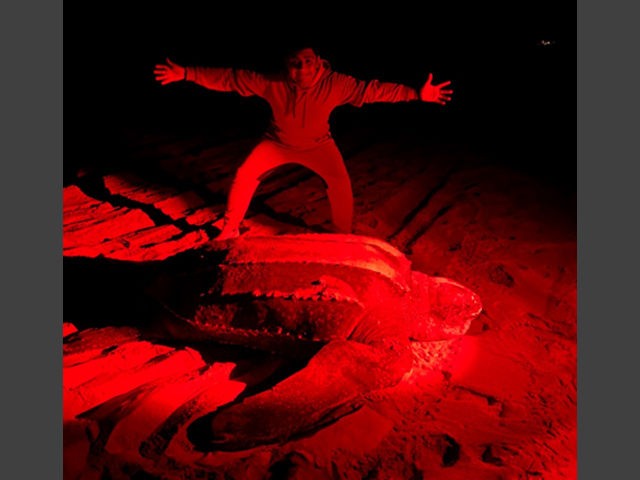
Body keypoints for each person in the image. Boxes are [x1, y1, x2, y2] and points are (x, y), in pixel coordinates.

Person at [154, 45, 452, 240]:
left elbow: (372, 90)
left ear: (319, 62)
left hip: (318, 145)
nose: (303, 68)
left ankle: (341, 235)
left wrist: (415, 94)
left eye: (308, 61)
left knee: (340, 183)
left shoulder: (336, 83)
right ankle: (230, 227)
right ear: (287, 67)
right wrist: (187, 73)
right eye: (296, 63)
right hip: (276, 142)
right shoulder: (272, 82)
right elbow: (232, 78)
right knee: (245, 175)